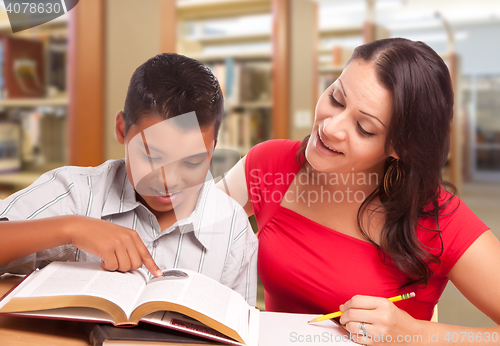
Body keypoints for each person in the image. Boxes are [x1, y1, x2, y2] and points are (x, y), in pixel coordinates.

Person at [217, 38, 500, 344]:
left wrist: (417, 334)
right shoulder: (269, 164)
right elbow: (187, 227)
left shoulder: (440, 220)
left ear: (398, 147)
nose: (331, 128)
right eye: (336, 99)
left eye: (364, 128)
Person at [0, 53, 258, 305]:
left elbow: (239, 327)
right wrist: (71, 229)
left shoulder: (232, 228)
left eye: (192, 162)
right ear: (123, 130)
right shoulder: (75, 192)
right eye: (153, 156)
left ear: (212, 148)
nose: (168, 181)